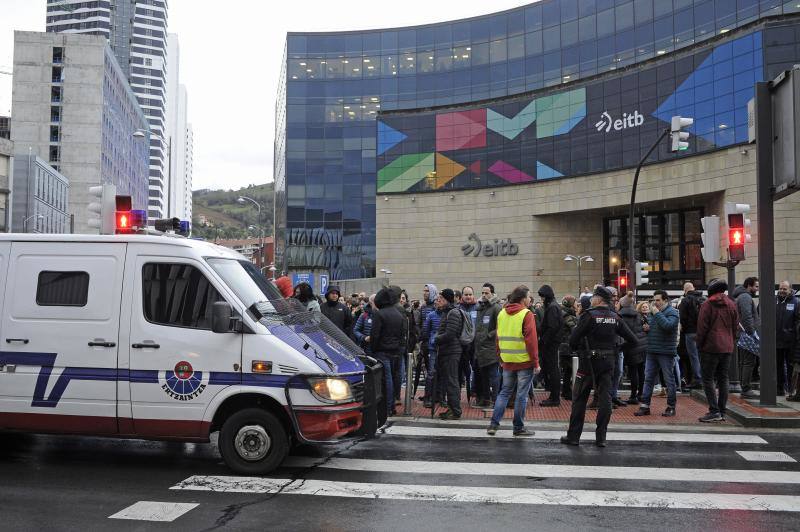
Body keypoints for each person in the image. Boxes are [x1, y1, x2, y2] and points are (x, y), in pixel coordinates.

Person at [561, 286, 638, 447]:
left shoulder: (588, 315)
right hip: (608, 362)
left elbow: (573, 339)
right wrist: (616, 350)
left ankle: (574, 436)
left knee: (580, 399)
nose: (591, 299)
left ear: (599, 299)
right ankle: (601, 437)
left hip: (588, 363)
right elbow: (633, 340)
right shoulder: (615, 317)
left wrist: (579, 349)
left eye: (593, 297)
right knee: (605, 399)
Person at [487, 285, 540, 437]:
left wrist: (500, 357)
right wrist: (535, 362)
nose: (530, 299)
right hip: (524, 360)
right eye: (529, 296)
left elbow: (498, 338)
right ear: (523, 299)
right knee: (521, 395)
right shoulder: (526, 314)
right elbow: (531, 341)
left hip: (507, 360)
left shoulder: (502, 313)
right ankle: (518, 427)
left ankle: (493, 424)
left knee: (504, 393)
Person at [695, 279, 739, 422]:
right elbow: (735, 327)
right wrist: (730, 341)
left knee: (707, 378)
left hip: (710, 347)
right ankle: (722, 411)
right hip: (727, 347)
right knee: (723, 378)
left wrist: (699, 345)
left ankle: (714, 411)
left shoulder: (707, 305)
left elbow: (702, 328)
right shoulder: (731, 304)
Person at [635, 290, 680, 417]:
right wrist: (647, 329)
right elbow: (654, 327)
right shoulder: (653, 313)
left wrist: (657, 313)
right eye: (654, 300)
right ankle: (645, 406)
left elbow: (668, 326)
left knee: (668, 379)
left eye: (658, 300)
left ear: (666, 300)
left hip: (666, 351)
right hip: (652, 350)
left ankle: (671, 407)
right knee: (648, 379)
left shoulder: (673, 312)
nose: (655, 302)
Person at [370, 286, 408, 417]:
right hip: (395, 351)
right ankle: (391, 405)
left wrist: (373, 349)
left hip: (382, 350)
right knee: (392, 378)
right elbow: (402, 333)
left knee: (386, 380)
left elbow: (375, 335)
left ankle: (387, 407)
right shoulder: (399, 313)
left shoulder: (379, 314)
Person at [434, 288, 464, 420]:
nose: (437, 301)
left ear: (446, 300)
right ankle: (452, 408)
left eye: (440, 299)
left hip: (452, 352)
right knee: (449, 380)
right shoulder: (447, 312)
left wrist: (436, 338)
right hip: (447, 351)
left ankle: (455, 410)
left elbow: (450, 334)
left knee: (452, 381)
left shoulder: (453, 313)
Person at [475, 283, 502, 406]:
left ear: (492, 293)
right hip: (480, 347)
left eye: (487, 293)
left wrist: (489, 335)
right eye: (482, 293)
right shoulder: (480, 307)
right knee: (483, 376)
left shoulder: (496, 308)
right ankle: (486, 399)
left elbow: (500, 327)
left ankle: (496, 400)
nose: (484, 295)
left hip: (491, 347)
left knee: (493, 375)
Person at [734, 277, 760, 398]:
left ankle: (745, 387)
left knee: (744, 362)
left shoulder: (742, 296)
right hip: (746, 334)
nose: (757, 289)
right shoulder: (745, 297)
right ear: (749, 286)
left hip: (743, 333)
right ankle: (746, 388)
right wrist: (752, 332)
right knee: (748, 362)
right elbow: (747, 316)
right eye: (756, 286)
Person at [537, 285, 564, 406]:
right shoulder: (553, 306)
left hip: (551, 343)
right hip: (552, 342)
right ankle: (554, 396)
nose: (541, 299)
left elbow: (552, 327)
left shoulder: (552, 307)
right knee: (553, 369)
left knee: (553, 370)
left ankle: (554, 397)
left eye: (542, 296)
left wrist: (543, 340)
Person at [619, 292, 647, 405]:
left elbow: (623, 333)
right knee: (641, 372)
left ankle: (633, 395)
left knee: (633, 372)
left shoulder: (621, 316)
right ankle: (641, 394)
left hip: (631, 347)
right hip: (643, 346)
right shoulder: (638, 314)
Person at [678, 282, 706, 389]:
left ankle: (698, 379)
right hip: (703, 332)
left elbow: (682, 318)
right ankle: (705, 378)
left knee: (693, 356)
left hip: (690, 332)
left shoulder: (685, 300)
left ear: (685, 290)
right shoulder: (703, 299)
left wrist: (684, 329)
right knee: (702, 355)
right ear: (694, 288)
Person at [775, 281, 800, 396]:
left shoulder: (796, 302)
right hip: (776, 341)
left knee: (790, 366)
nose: (782, 291)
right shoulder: (774, 301)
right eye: (780, 288)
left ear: (790, 290)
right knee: (778, 366)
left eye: (785, 289)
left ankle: (791, 389)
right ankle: (779, 388)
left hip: (791, 341)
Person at [418, 284, 439, 407]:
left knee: (433, 370)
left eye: (427, 291)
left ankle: (434, 395)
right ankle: (428, 394)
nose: (425, 293)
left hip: (433, 342)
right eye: (424, 290)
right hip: (425, 342)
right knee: (428, 370)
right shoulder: (423, 307)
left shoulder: (435, 307)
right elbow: (421, 324)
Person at [459, 286, 479, 401]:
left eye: (470, 294)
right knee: (461, 368)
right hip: (462, 344)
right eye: (466, 294)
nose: (468, 297)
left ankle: (474, 390)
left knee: (475, 368)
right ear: (462, 296)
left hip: (474, 344)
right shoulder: (458, 308)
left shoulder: (478, 308)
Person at [559, 295, 578, 401]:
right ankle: (566, 391)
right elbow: (574, 328)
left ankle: (565, 391)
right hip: (567, 346)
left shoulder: (564, 313)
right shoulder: (567, 315)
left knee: (568, 370)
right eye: (575, 302)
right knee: (569, 370)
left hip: (564, 345)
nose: (576, 304)